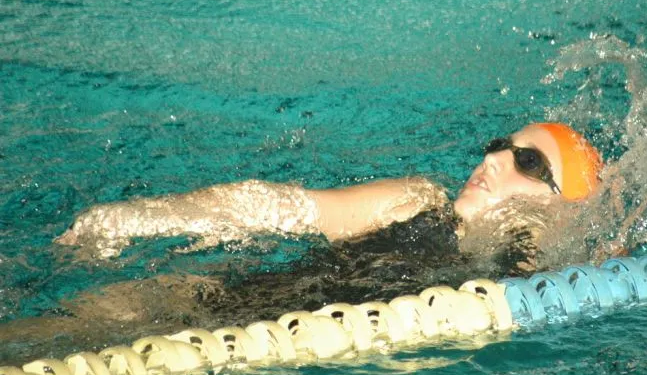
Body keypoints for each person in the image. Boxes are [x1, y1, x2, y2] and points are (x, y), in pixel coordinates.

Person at [54, 121, 605, 263]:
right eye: (500, 144)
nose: (492, 157)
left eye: (527, 161)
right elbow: (278, 205)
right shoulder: (417, 201)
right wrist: (131, 219)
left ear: (560, 203)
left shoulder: (552, 276)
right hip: (224, 309)